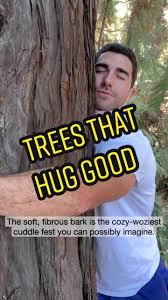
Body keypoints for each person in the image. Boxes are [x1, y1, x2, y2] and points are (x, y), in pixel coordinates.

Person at [0, 43, 168, 299]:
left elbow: (76, 194)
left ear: (132, 92)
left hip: (138, 283)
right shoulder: (84, 123)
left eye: (120, 75)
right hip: (94, 281)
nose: (107, 80)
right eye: (101, 69)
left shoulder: (132, 145)